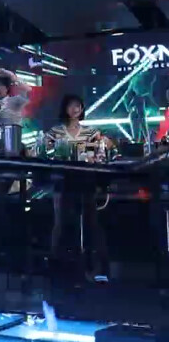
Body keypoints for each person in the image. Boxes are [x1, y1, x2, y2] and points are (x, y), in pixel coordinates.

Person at [45, 95, 109, 283]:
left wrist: (96, 153)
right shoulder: (56, 131)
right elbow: (44, 151)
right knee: (60, 222)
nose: (75, 109)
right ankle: (56, 265)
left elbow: (101, 150)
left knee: (91, 221)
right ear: (65, 108)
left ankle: (95, 266)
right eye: (71, 106)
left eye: (78, 106)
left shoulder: (90, 132)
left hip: (85, 179)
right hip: (63, 180)